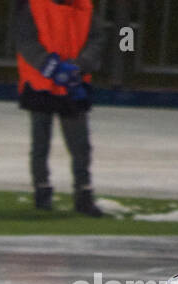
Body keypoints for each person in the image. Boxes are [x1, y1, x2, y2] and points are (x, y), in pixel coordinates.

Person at [13, 0, 109, 216]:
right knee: (41, 142)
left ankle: (83, 194)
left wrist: (79, 66)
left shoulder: (85, 7)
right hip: (40, 83)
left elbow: (97, 39)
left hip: (72, 84)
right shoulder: (34, 5)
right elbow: (25, 40)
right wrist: (50, 66)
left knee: (80, 144)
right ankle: (42, 190)